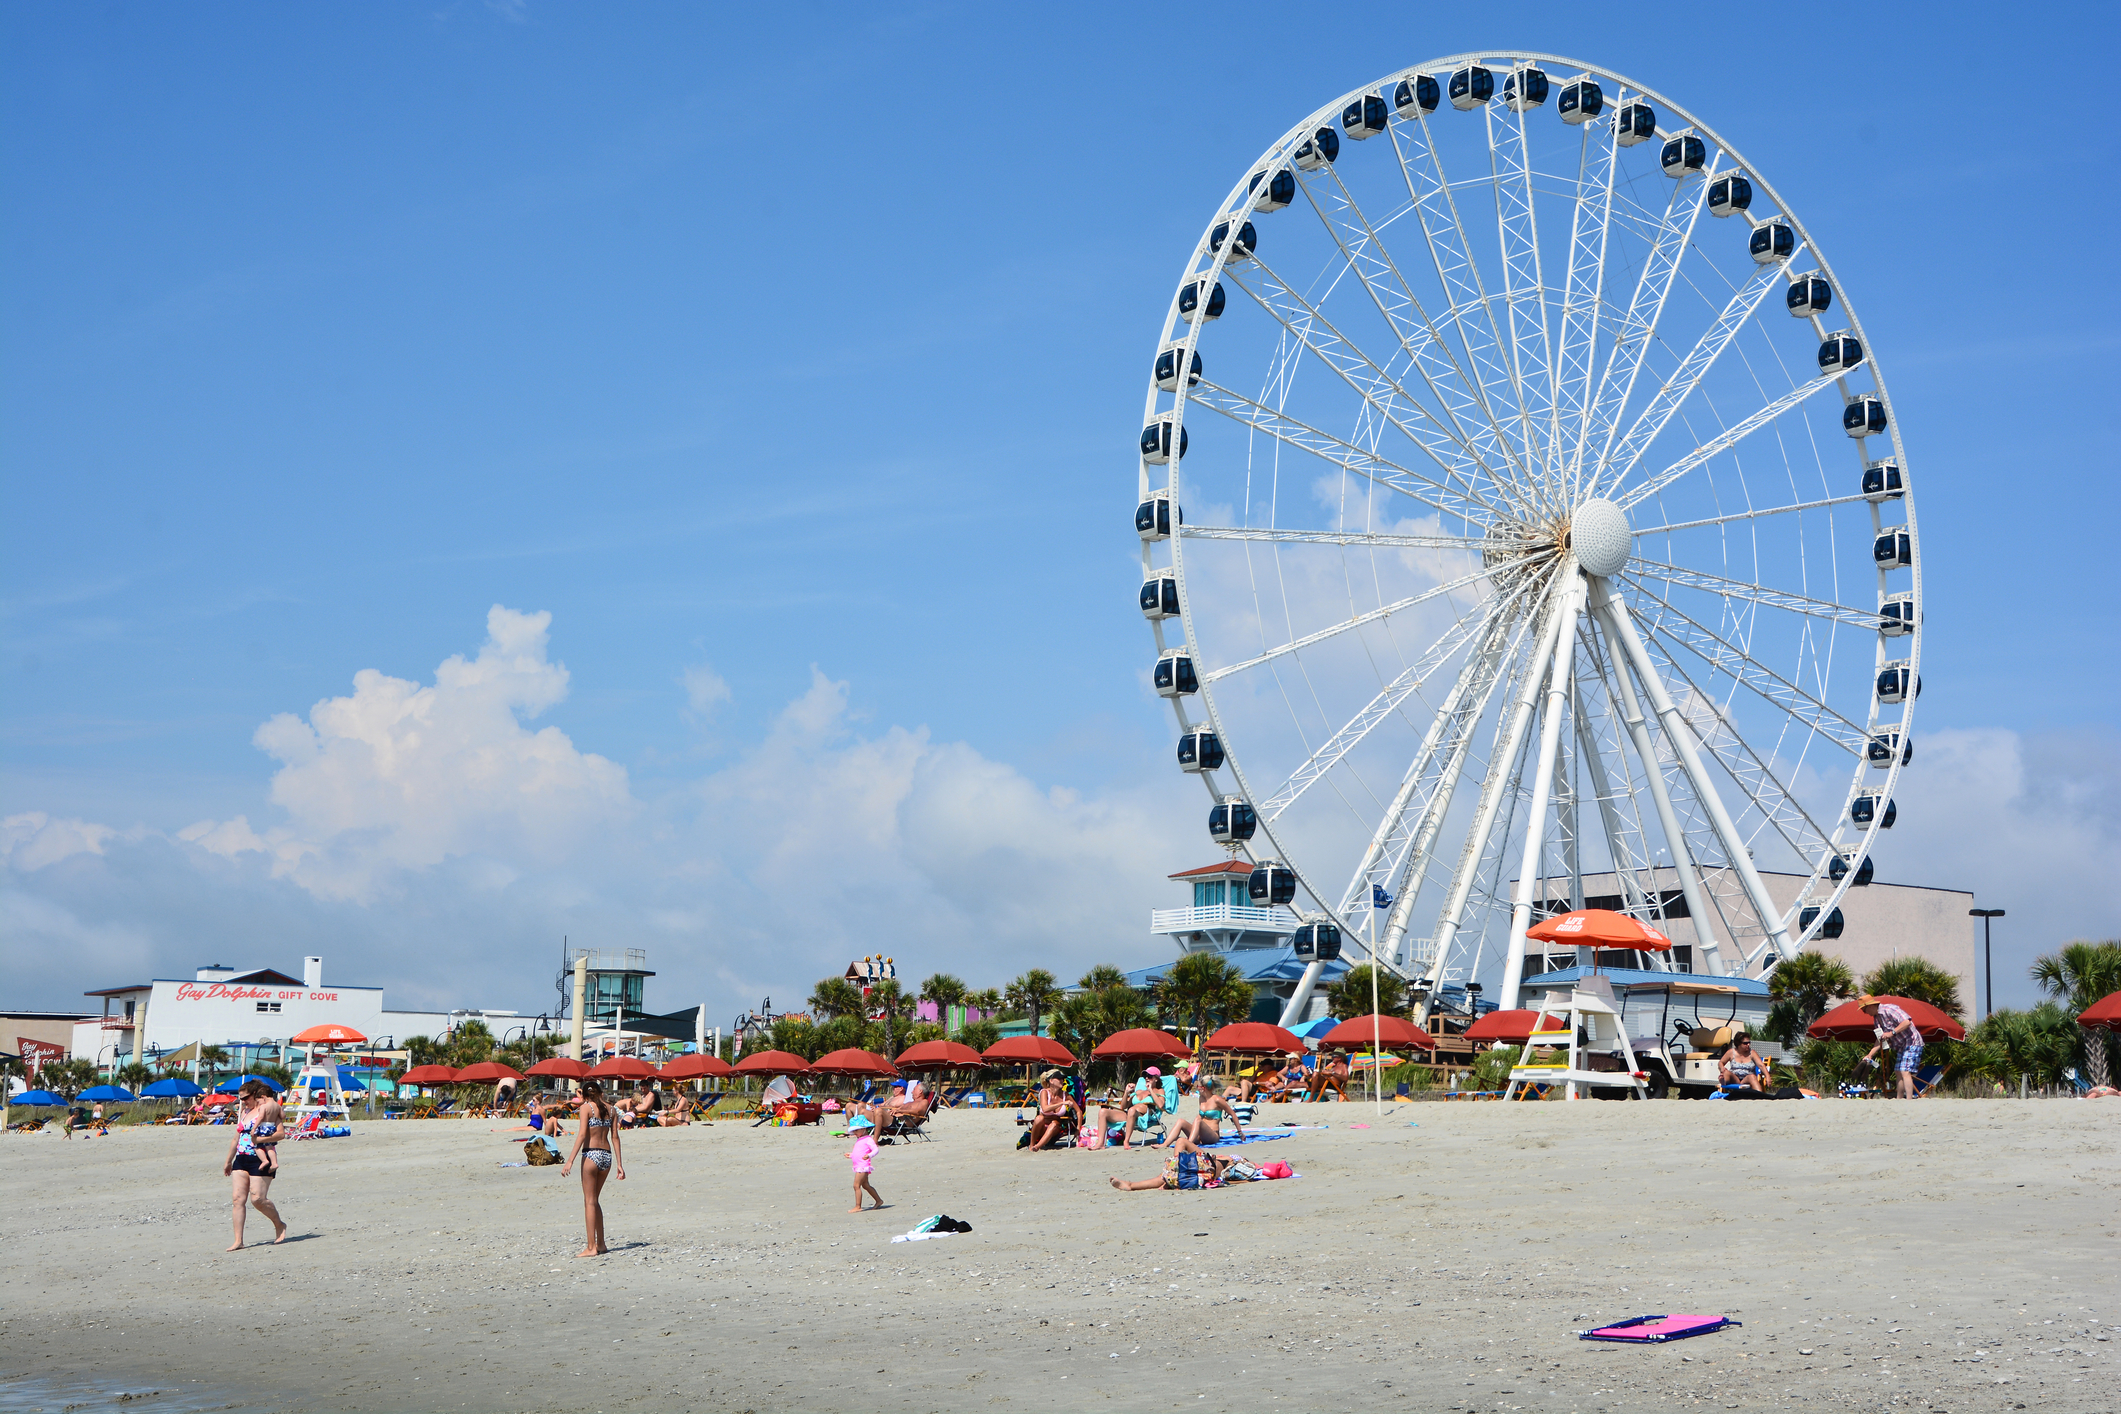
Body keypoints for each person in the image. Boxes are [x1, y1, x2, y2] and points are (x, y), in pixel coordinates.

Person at [560, 1080, 624, 1257]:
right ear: (601, 1093)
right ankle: (601, 1243)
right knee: (595, 1200)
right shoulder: (612, 1110)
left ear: (586, 1095)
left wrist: (570, 1160)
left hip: (591, 1154)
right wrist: (620, 1164)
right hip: (607, 1156)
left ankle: (591, 1247)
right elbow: (616, 1137)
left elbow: (582, 1135)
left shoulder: (587, 1107)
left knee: (589, 1201)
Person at [222, 1080, 288, 1250]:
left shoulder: (267, 1111)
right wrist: (229, 1160)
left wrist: (260, 1140)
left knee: (258, 1199)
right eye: (241, 1098)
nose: (242, 1101)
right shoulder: (244, 1112)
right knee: (238, 1200)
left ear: (255, 1095)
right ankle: (239, 1241)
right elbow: (236, 1138)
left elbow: (281, 1134)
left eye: (245, 1097)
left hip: (261, 1158)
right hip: (242, 1158)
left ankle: (279, 1224)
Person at [1859, 997, 1924, 1099]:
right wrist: (1870, 1054)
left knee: (1905, 1071)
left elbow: (1907, 1021)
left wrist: (1892, 1033)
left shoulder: (1889, 1009)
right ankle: (1899, 1099)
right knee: (1898, 1071)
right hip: (1901, 1046)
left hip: (1912, 1041)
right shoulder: (1876, 1020)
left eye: (1864, 1010)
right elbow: (1880, 1039)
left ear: (1870, 1006)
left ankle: (1909, 1099)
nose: (1864, 1013)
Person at [1166, 1076, 1245, 1148]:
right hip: (1200, 1135)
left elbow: (1232, 1114)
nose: (1197, 1088)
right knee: (1181, 1121)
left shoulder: (1217, 1100)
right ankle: (1165, 1144)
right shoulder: (1201, 1099)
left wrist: (1240, 1133)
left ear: (1203, 1088)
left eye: (1198, 1086)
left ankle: (1189, 1144)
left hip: (1212, 1135)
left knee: (1198, 1120)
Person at [1024, 1076, 1076, 1152]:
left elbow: (1078, 1111)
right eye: (1059, 1079)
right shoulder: (1044, 1092)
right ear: (1051, 1081)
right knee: (1039, 1118)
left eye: (1062, 1079)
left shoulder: (1065, 1095)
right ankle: (1031, 1145)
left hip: (1055, 1128)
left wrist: (1078, 1128)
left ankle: (1037, 1147)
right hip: (1041, 1127)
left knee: (1054, 1124)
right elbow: (1045, 1108)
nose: (1062, 1081)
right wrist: (1062, 1103)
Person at [847, 1116, 884, 1212]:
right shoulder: (860, 1139)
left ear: (864, 1129)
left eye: (856, 1130)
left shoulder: (868, 1139)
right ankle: (878, 1200)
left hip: (862, 1166)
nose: (855, 1133)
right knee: (865, 1185)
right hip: (859, 1165)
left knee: (856, 1185)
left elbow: (876, 1149)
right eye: (854, 1131)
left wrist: (870, 1155)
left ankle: (858, 1206)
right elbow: (859, 1152)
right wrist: (851, 1155)